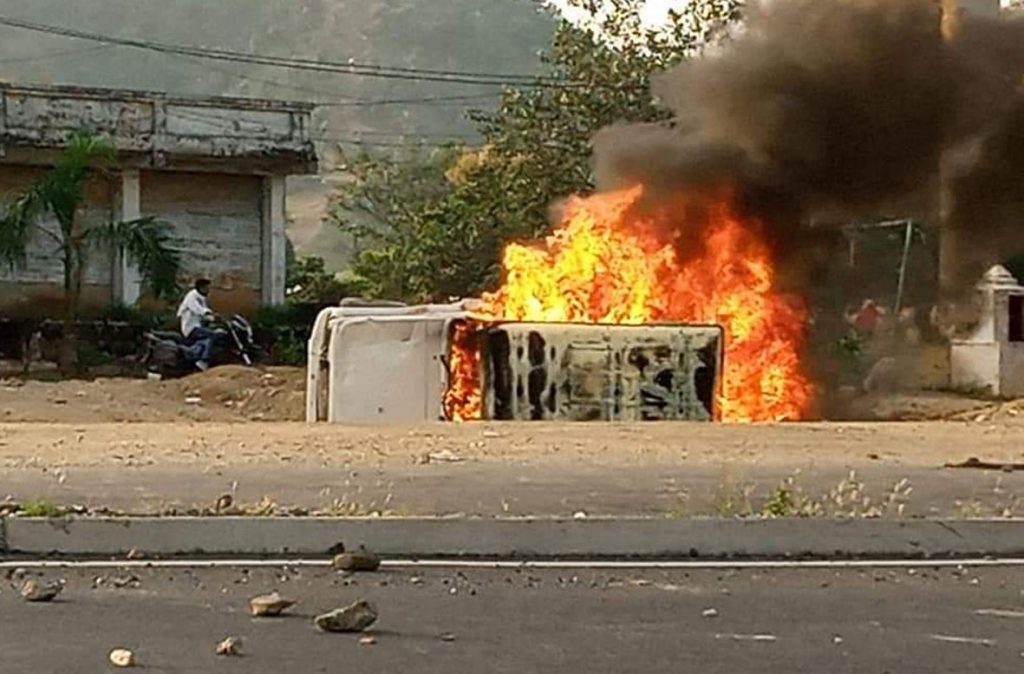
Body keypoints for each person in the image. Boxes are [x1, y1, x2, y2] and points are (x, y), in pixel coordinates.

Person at [176, 278, 217, 371]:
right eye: (207, 288)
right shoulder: (192, 296)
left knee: (213, 335)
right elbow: (196, 308)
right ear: (201, 288)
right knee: (213, 335)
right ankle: (203, 360)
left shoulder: (201, 298)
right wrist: (208, 312)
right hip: (190, 328)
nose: (209, 290)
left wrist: (213, 318)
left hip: (197, 327)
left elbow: (205, 314)